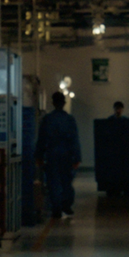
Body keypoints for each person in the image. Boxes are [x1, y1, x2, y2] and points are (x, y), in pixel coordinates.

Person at [38, 89, 82, 222]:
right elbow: (74, 139)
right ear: (63, 103)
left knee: (53, 182)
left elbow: (42, 139)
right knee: (66, 181)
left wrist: (39, 156)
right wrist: (77, 157)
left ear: (52, 103)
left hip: (52, 154)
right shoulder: (69, 120)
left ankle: (56, 209)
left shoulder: (47, 119)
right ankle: (66, 206)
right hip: (66, 154)